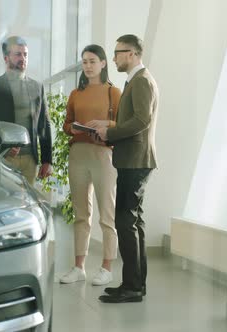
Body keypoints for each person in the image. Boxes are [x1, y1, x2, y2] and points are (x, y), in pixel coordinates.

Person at [89, 35, 159, 303]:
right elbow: (134, 118)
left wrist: (111, 132)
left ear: (131, 53)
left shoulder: (141, 81)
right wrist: (107, 123)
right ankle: (135, 284)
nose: (115, 58)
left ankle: (132, 287)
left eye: (117, 53)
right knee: (134, 222)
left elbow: (142, 120)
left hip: (136, 160)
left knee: (125, 222)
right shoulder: (137, 80)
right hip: (134, 159)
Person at [59, 44, 122, 286]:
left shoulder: (113, 93)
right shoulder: (76, 93)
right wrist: (71, 128)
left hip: (103, 155)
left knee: (107, 214)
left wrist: (106, 123)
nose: (87, 65)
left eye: (92, 61)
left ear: (103, 64)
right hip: (78, 153)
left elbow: (122, 124)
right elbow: (66, 124)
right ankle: (79, 267)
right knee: (80, 214)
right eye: (84, 61)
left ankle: (106, 267)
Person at [0, 36, 52, 184]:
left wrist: (47, 160)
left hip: (30, 160)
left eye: (25, 54)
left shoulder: (37, 87)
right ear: (6, 58)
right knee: (3, 203)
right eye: (18, 54)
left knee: (26, 205)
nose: (22, 58)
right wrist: (2, 146)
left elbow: (44, 125)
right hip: (4, 158)